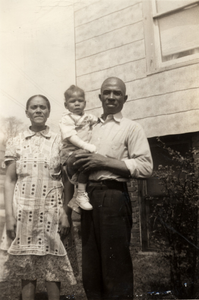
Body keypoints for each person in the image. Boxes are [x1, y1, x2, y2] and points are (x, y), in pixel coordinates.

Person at [73, 77, 153, 300]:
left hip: (114, 196)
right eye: (106, 92)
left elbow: (146, 167)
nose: (111, 97)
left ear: (125, 98)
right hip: (88, 195)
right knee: (91, 267)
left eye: (117, 93)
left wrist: (104, 161)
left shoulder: (131, 128)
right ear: (99, 97)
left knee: (115, 265)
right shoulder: (89, 126)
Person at [0, 95, 76, 300]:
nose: (38, 110)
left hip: (53, 210)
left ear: (49, 111)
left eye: (43, 107)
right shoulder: (16, 142)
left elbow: (69, 181)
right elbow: (9, 180)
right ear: (27, 112)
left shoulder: (60, 142)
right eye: (33, 107)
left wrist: (66, 214)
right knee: (27, 268)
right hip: (23, 211)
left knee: (53, 267)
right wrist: (9, 217)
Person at [59, 85, 98, 214]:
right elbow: (71, 137)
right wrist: (86, 146)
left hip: (82, 152)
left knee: (88, 164)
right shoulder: (66, 119)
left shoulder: (88, 117)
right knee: (85, 159)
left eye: (80, 101)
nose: (76, 104)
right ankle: (80, 194)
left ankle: (79, 196)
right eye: (72, 101)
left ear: (85, 103)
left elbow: (98, 121)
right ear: (66, 105)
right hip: (70, 152)